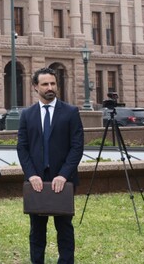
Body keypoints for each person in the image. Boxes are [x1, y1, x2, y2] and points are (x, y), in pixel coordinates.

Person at [17, 68, 84, 264]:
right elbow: (22, 148)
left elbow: (77, 147)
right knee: (37, 229)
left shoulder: (71, 112)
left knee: (64, 227)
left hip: (63, 180)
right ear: (35, 87)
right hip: (37, 181)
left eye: (53, 84)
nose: (50, 88)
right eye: (45, 84)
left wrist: (63, 175)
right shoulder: (27, 115)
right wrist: (31, 175)